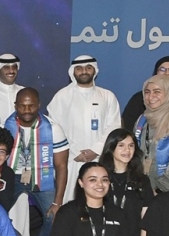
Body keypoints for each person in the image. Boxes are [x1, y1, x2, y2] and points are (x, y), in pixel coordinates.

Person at [5, 88, 70, 236]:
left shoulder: (53, 128)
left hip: (43, 176)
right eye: (22, 106)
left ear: (39, 105)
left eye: (31, 105)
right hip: (12, 176)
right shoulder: (4, 127)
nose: (27, 110)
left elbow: (61, 165)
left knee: (55, 216)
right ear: (15, 106)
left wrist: (58, 201)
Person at [47, 55, 122, 200]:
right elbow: (54, 127)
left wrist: (96, 150)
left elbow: (114, 127)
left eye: (88, 68)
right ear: (73, 72)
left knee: (99, 197)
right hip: (70, 159)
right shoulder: (62, 96)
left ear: (95, 70)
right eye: (79, 68)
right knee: (69, 200)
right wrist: (75, 151)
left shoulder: (107, 96)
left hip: (99, 158)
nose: (84, 71)